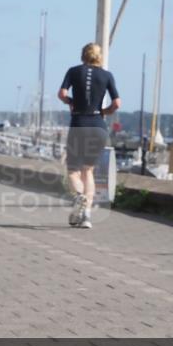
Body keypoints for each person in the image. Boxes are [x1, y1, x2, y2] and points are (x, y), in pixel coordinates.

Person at [58, 43, 120, 229]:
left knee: (73, 170)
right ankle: (86, 216)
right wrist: (104, 111)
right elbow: (117, 103)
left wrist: (71, 102)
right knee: (88, 171)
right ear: (99, 56)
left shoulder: (73, 71)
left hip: (79, 123)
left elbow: (61, 94)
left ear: (83, 55)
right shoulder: (107, 75)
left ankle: (79, 196)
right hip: (98, 126)